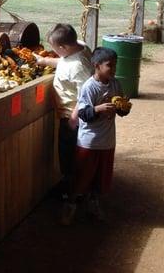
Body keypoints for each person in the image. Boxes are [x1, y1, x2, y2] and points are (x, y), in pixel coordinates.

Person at [60, 47, 129, 225]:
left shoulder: (115, 84)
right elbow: (83, 114)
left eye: (115, 65)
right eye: (110, 66)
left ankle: (94, 204)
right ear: (97, 66)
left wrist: (123, 108)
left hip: (107, 142)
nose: (113, 69)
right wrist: (98, 109)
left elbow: (120, 111)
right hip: (89, 142)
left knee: (101, 178)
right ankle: (71, 205)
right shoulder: (89, 87)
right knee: (82, 176)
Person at [35, 23, 93, 198]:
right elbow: (63, 60)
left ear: (63, 47)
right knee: (68, 154)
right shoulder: (80, 47)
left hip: (72, 116)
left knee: (69, 155)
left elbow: (85, 95)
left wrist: (73, 119)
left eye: (54, 48)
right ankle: (72, 185)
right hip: (69, 114)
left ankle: (72, 192)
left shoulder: (79, 67)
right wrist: (44, 61)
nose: (54, 51)